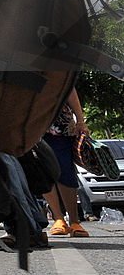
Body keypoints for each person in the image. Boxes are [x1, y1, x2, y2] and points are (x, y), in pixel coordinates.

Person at [43, 87, 90, 238]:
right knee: (42, 172)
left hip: (60, 124)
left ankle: (75, 221)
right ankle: (58, 219)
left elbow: (70, 90)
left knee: (65, 170)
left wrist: (80, 121)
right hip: (33, 124)